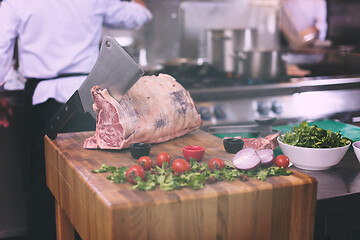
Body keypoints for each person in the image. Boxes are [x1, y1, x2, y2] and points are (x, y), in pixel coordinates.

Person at [0, 0, 152, 239]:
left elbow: (1, 46)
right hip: (89, 99)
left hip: (44, 100)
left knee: (43, 179)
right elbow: (138, 17)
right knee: (92, 178)